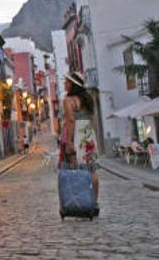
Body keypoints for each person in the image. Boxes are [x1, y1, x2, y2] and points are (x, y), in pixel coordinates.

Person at [59, 71, 99, 215]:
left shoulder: (68, 100)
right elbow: (93, 119)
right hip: (88, 133)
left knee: (72, 169)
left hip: (76, 134)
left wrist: (69, 142)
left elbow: (70, 121)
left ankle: (77, 203)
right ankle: (94, 203)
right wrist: (92, 136)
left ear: (72, 84)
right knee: (92, 170)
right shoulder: (89, 99)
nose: (64, 83)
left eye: (67, 81)